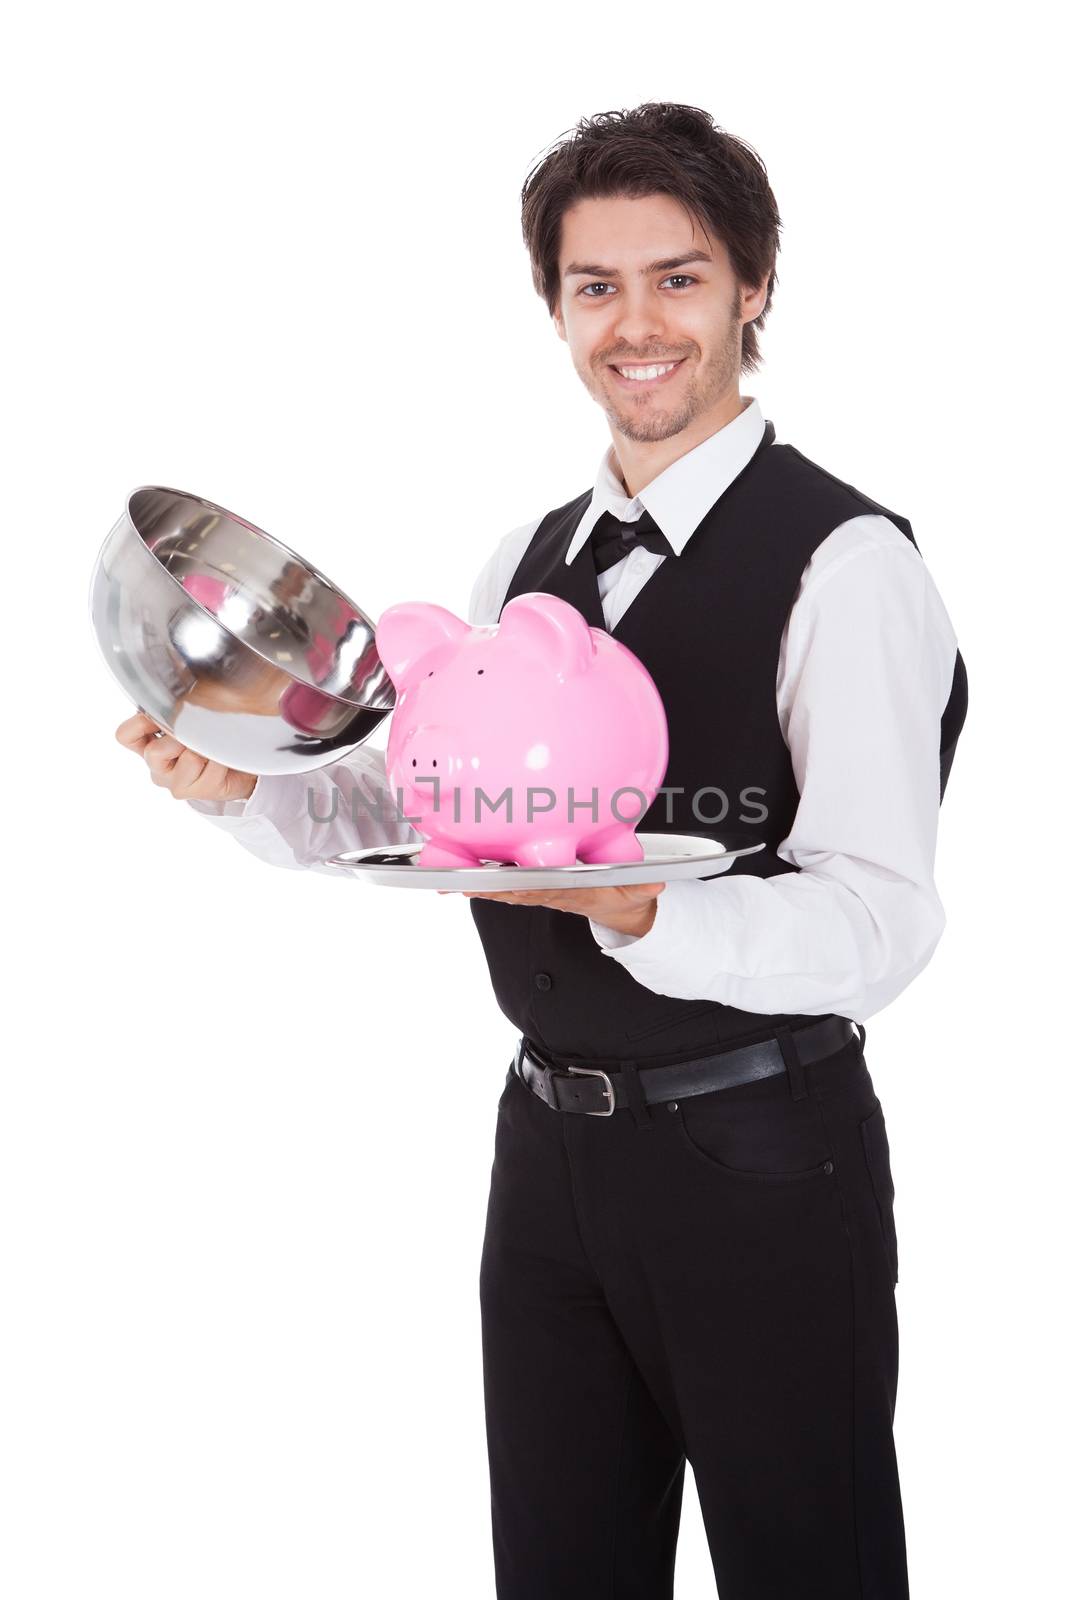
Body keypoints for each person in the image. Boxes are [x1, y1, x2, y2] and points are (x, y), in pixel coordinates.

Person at [115, 102, 966, 1599]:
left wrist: (642, 909)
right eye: (595, 287)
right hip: (551, 1154)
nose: (635, 326)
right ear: (557, 307)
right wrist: (233, 781)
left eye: (679, 278)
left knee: (807, 1570)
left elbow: (882, 920)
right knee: (561, 1573)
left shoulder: (848, 565)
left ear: (754, 287)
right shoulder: (521, 562)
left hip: (763, 1153)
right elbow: (426, 818)